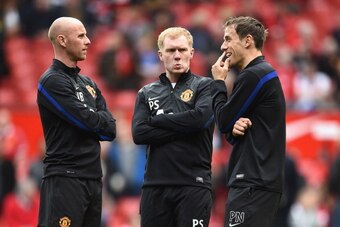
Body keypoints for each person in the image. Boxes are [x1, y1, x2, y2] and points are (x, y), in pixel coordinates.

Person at [36, 17, 116, 227]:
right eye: (81, 36)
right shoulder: (51, 81)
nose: (88, 41)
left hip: (93, 178)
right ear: (62, 40)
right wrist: (93, 117)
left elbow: (110, 130)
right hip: (65, 179)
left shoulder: (88, 83)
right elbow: (86, 121)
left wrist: (91, 118)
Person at [131, 27, 215, 227]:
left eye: (182, 50)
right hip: (154, 187)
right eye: (170, 51)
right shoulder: (146, 93)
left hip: (193, 185)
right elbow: (139, 133)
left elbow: (200, 120)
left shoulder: (205, 86)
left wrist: (158, 120)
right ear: (160, 55)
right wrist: (184, 125)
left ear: (191, 53)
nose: (177, 56)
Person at [210, 16, 286, 227]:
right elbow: (230, 131)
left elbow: (223, 121)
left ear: (247, 41)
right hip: (259, 181)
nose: (223, 46)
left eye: (228, 39)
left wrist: (218, 82)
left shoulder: (254, 75)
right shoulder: (263, 74)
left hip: (252, 181)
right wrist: (233, 130)